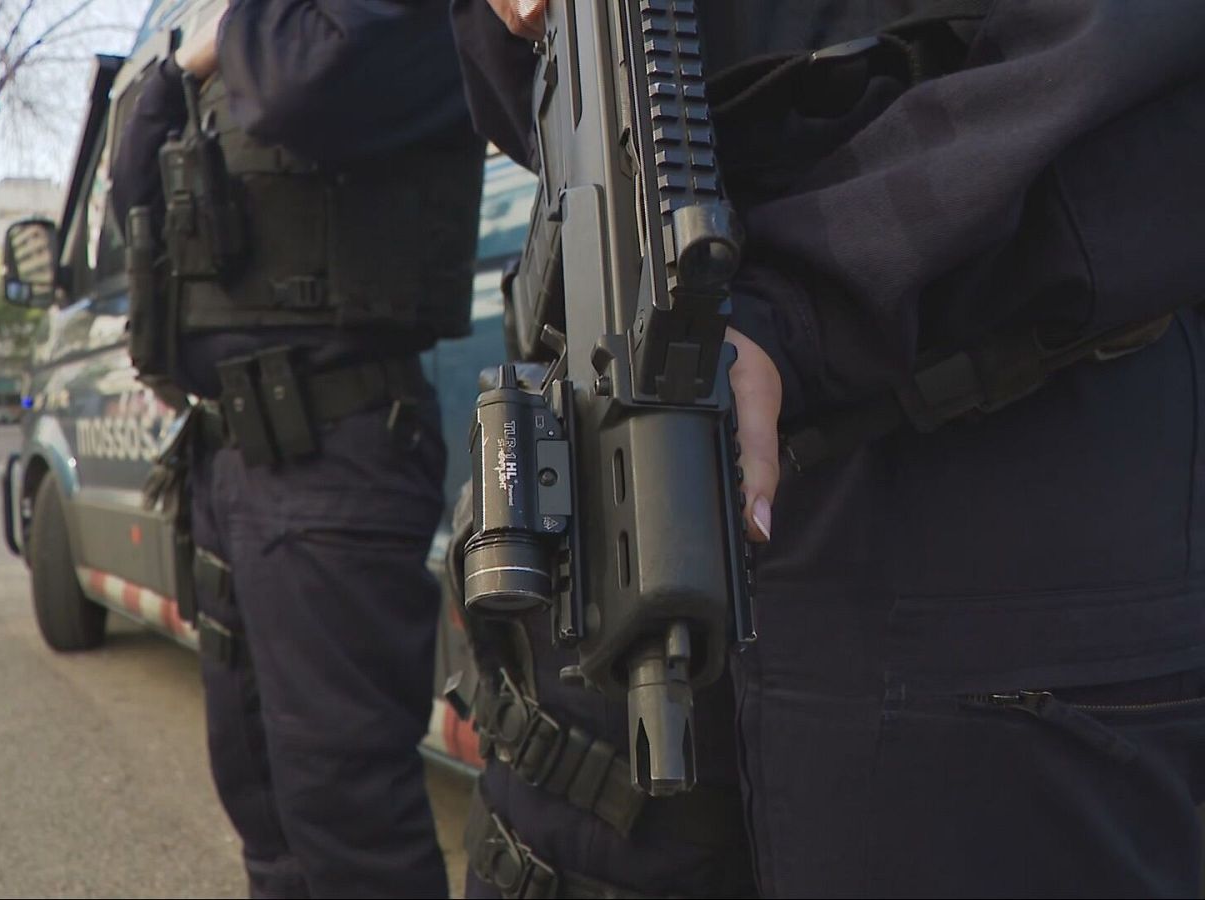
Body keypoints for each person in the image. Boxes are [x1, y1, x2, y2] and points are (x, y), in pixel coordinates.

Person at [451, 0, 1205, 896]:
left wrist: (797, 300)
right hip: (630, 443)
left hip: (982, 491)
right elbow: (517, 102)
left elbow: (1123, 55)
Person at [109, 2, 485, 897]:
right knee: (261, 801)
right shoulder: (248, 39)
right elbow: (131, 186)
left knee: (350, 818)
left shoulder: (337, 31)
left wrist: (218, 40)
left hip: (335, 449)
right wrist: (181, 67)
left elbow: (304, 88)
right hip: (232, 458)